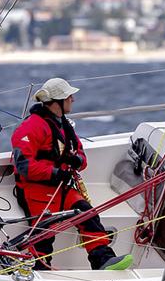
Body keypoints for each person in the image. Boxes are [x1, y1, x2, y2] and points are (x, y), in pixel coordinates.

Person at [11, 77, 132, 270]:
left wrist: (77, 161)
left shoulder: (62, 125)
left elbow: (80, 153)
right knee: (44, 234)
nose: (73, 100)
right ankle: (39, 271)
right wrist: (55, 173)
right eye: (69, 97)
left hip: (62, 187)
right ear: (58, 101)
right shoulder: (32, 126)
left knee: (88, 214)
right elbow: (23, 165)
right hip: (36, 191)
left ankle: (102, 260)